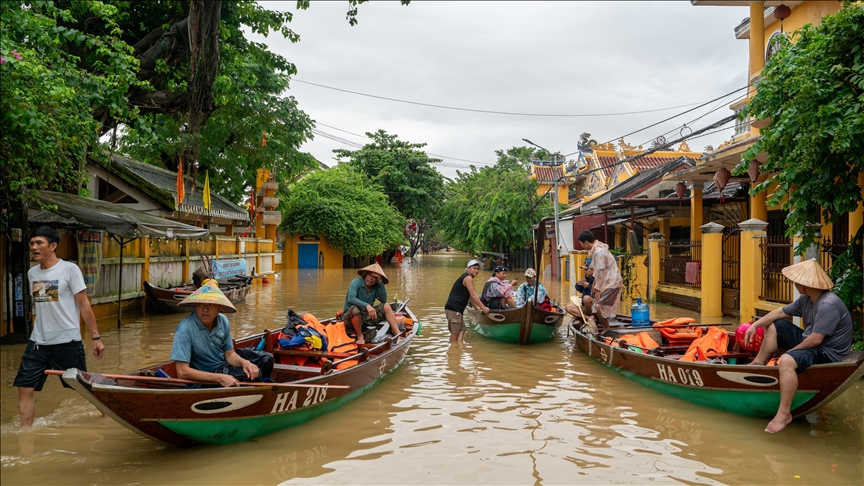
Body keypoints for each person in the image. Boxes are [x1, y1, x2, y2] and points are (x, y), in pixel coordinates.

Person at [744, 259, 853, 433]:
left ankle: (784, 413)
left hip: (828, 353)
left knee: (786, 360)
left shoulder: (827, 304)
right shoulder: (806, 299)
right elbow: (780, 312)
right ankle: (758, 363)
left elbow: (816, 340)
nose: (794, 284)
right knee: (777, 325)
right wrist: (754, 326)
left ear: (804, 285)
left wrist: (793, 352)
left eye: (796, 282)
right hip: (812, 343)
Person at [14, 226, 104, 427]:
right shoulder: (32, 273)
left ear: (53, 246)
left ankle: (109, 414)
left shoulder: (70, 269)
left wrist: (95, 338)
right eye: (32, 243)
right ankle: (26, 434)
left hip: (67, 342)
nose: (34, 247)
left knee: (82, 387)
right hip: (37, 342)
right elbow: (43, 303)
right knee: (24, 387)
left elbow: (83, 303)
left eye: (39, 243)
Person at [170, 280, 273, 386]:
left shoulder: (223, 321)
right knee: (255, 375)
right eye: (200, 304)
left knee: (266, 360)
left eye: (211, 304)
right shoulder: (185, 329)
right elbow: (182, 372)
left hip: (223, 365)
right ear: (195, 306)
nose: (205, 309)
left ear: (219, 307)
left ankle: (260, 388)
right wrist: (219, 378)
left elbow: (229, 354)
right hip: (205, 377)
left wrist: (245, 363)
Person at [342, 263, 401, 345]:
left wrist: (380, 282)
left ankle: (398, 335)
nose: (371, 279)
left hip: (365, 318)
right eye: (369, 275)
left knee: (386, 306)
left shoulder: (376, 287)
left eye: (375, 277)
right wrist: (367, 306)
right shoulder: (356, 282)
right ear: (365, 274)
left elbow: (383, 300)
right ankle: (360, 336)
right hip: (349, 320)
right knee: (355, 309)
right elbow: (351, 299)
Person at [577, 231, 623, 332]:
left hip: (611, 282)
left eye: (581, 243)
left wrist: (598, 290)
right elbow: (597, 272)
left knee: (598, 306)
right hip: (609, 282)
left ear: (586, 242)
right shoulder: (596, 250)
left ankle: (606, 328)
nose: (581, 246)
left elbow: (601, 273)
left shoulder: (598, 252)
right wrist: (594, 285)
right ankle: (606, 327)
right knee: (600, 306)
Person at [444, 259, 490, 343]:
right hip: (454, 309)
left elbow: (469, 296)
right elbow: (473, 295)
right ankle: (453, 352)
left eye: (477, 269)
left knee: (462, 329)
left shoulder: (467, 277)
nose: (476, 270)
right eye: (474, 268)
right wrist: (483, 308)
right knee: (455, 332)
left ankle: (458, 350)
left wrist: (476, 308)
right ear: (468, 269)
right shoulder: (468, 278)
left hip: (455, 309)